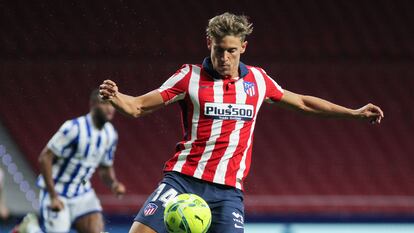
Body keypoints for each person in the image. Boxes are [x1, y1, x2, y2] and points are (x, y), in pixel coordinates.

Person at [99, 12, 384, 233]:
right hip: (183, 180)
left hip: (228, 192)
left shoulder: (258, 80)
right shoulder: (189, 76)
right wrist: (116, 96)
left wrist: (353, 112)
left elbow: (303, 102)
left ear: (243, 47)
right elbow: (137, 107)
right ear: (208, 42)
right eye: (219, 49)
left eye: (232, 51)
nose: (225, 57)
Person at [34, 89, 126, 233]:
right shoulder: (73, 128)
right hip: (57, 192)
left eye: (111, 104)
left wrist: (113, 184)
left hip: (82, 192)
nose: (109, 108)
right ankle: (29, 229)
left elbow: (104, 168)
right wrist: (53, 196)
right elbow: (45, 158)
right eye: (104, 103)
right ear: (93, 105)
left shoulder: (110, 134)